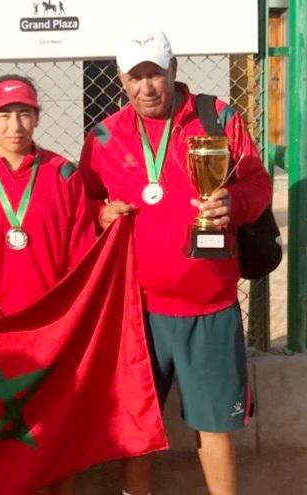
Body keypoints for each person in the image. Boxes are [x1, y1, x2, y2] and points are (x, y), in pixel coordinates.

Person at [78, 28, 272, 495]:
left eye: (156, 74)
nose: (148, 87)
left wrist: (235, 202)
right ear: (121, 80)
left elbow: (258, 182)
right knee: (137, 428)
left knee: (214, 427)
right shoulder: (105, 136)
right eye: (136, 77)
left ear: (174, 70)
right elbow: (80, 204)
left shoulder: (218, 117)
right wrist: (100, 214)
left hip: (208, 306)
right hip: (137, 310)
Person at [0, 74, 96, 493]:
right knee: (2, 436)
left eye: (24, 114)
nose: (14, 126)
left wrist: (57, 318)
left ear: (37, 118)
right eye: (4, 115)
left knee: (55, 429)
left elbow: (80, 255)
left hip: (50, 329)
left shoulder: (64, 174)